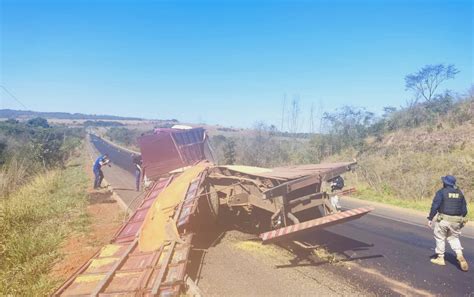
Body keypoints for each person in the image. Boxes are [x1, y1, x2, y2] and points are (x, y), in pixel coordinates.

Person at [428, 175, 469, 271]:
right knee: (454, 238)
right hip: (457, 220)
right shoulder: (460, 193)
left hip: (443, 220)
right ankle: (459, 254)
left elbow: (435, 206)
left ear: (445, 183)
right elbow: (464, 210)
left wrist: (430, 218)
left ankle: (440, 258)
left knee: (440, 237)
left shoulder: (441, 192)